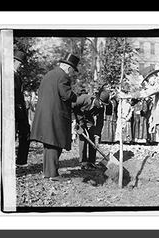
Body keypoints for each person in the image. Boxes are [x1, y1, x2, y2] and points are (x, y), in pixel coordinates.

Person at [120, 66, 159, 187]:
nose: (148, 83)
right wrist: (153, 122)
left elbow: (145, 93)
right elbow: (155, 106)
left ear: (153, 76)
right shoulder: (158, 86)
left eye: (148, 80)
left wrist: (126, 96)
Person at [30, 53, 80, 181]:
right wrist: (76, 95)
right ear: (69, 68)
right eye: (73, 71)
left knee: (49, 144)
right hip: (55, 115)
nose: (72, 74)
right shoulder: (63, 76)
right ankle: (53, 174)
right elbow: (67, 95)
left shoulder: (49, 74)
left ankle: (48, 172)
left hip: (44, 115)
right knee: (55, 143)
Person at [73, 89, 110, 171]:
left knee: (93, 139)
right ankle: (83, 162)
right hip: (79, 117)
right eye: (100, 103)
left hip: (89, 120)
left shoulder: (101, 107)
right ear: (97, 99)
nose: (101, 106)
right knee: (83, 139)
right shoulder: (84, 98)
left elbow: (100, 121)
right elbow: (72, 105)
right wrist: (75, 121)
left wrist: (97, 135)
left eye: (103, 104)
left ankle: (91, 162)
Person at [14, 49, 30, 168]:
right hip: (15, 110)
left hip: (20, 109)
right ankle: (20, 161)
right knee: (22, 133)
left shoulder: (16, 74)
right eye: (19, 63)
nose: (21, 66)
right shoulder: (10, 74)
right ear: (13, 61)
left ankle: (21, 160)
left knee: (25, 133)